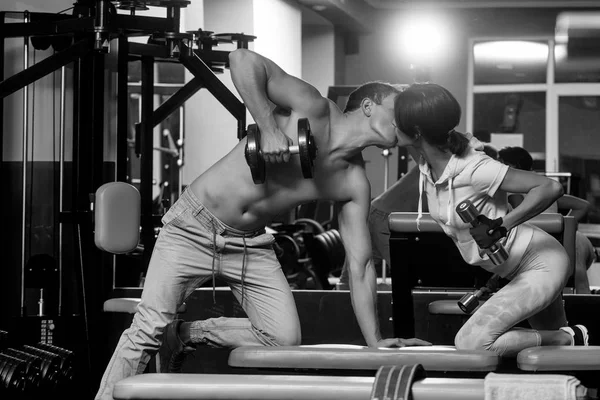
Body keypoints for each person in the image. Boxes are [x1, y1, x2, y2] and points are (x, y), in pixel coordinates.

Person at [95, 49, 431, 400]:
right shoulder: (312, 108)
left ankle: (184, 335)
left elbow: (361, 267)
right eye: (397, 109)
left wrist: (376, 343)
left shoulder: (353, 182)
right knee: (148, 328)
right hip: (192, 227)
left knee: (283, 339)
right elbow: (242, 60)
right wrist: (268, 127)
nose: (403, 120)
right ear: (369, 106)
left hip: (250, 245)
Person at [393, 82, 590, 357]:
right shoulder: (427, 163)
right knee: (558, 363)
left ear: (416, 132)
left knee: (472, 342)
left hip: (541, 263)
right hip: (511, 271)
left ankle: (570, 339)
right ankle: (571, 352)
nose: (392, 126)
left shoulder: (476, 169)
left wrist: (502, 226)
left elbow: (550, 188)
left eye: (397, 122)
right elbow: (387, 131)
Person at [497, 146, 597, 294]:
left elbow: (521, 217)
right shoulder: (543, 185)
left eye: (499, 162)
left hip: (542, 241)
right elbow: (583, 205)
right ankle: (586, 309)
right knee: (576, 277)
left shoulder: (514, 188)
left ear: (512, 167)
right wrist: (566, 226)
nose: (496, 167)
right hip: (569, 241)